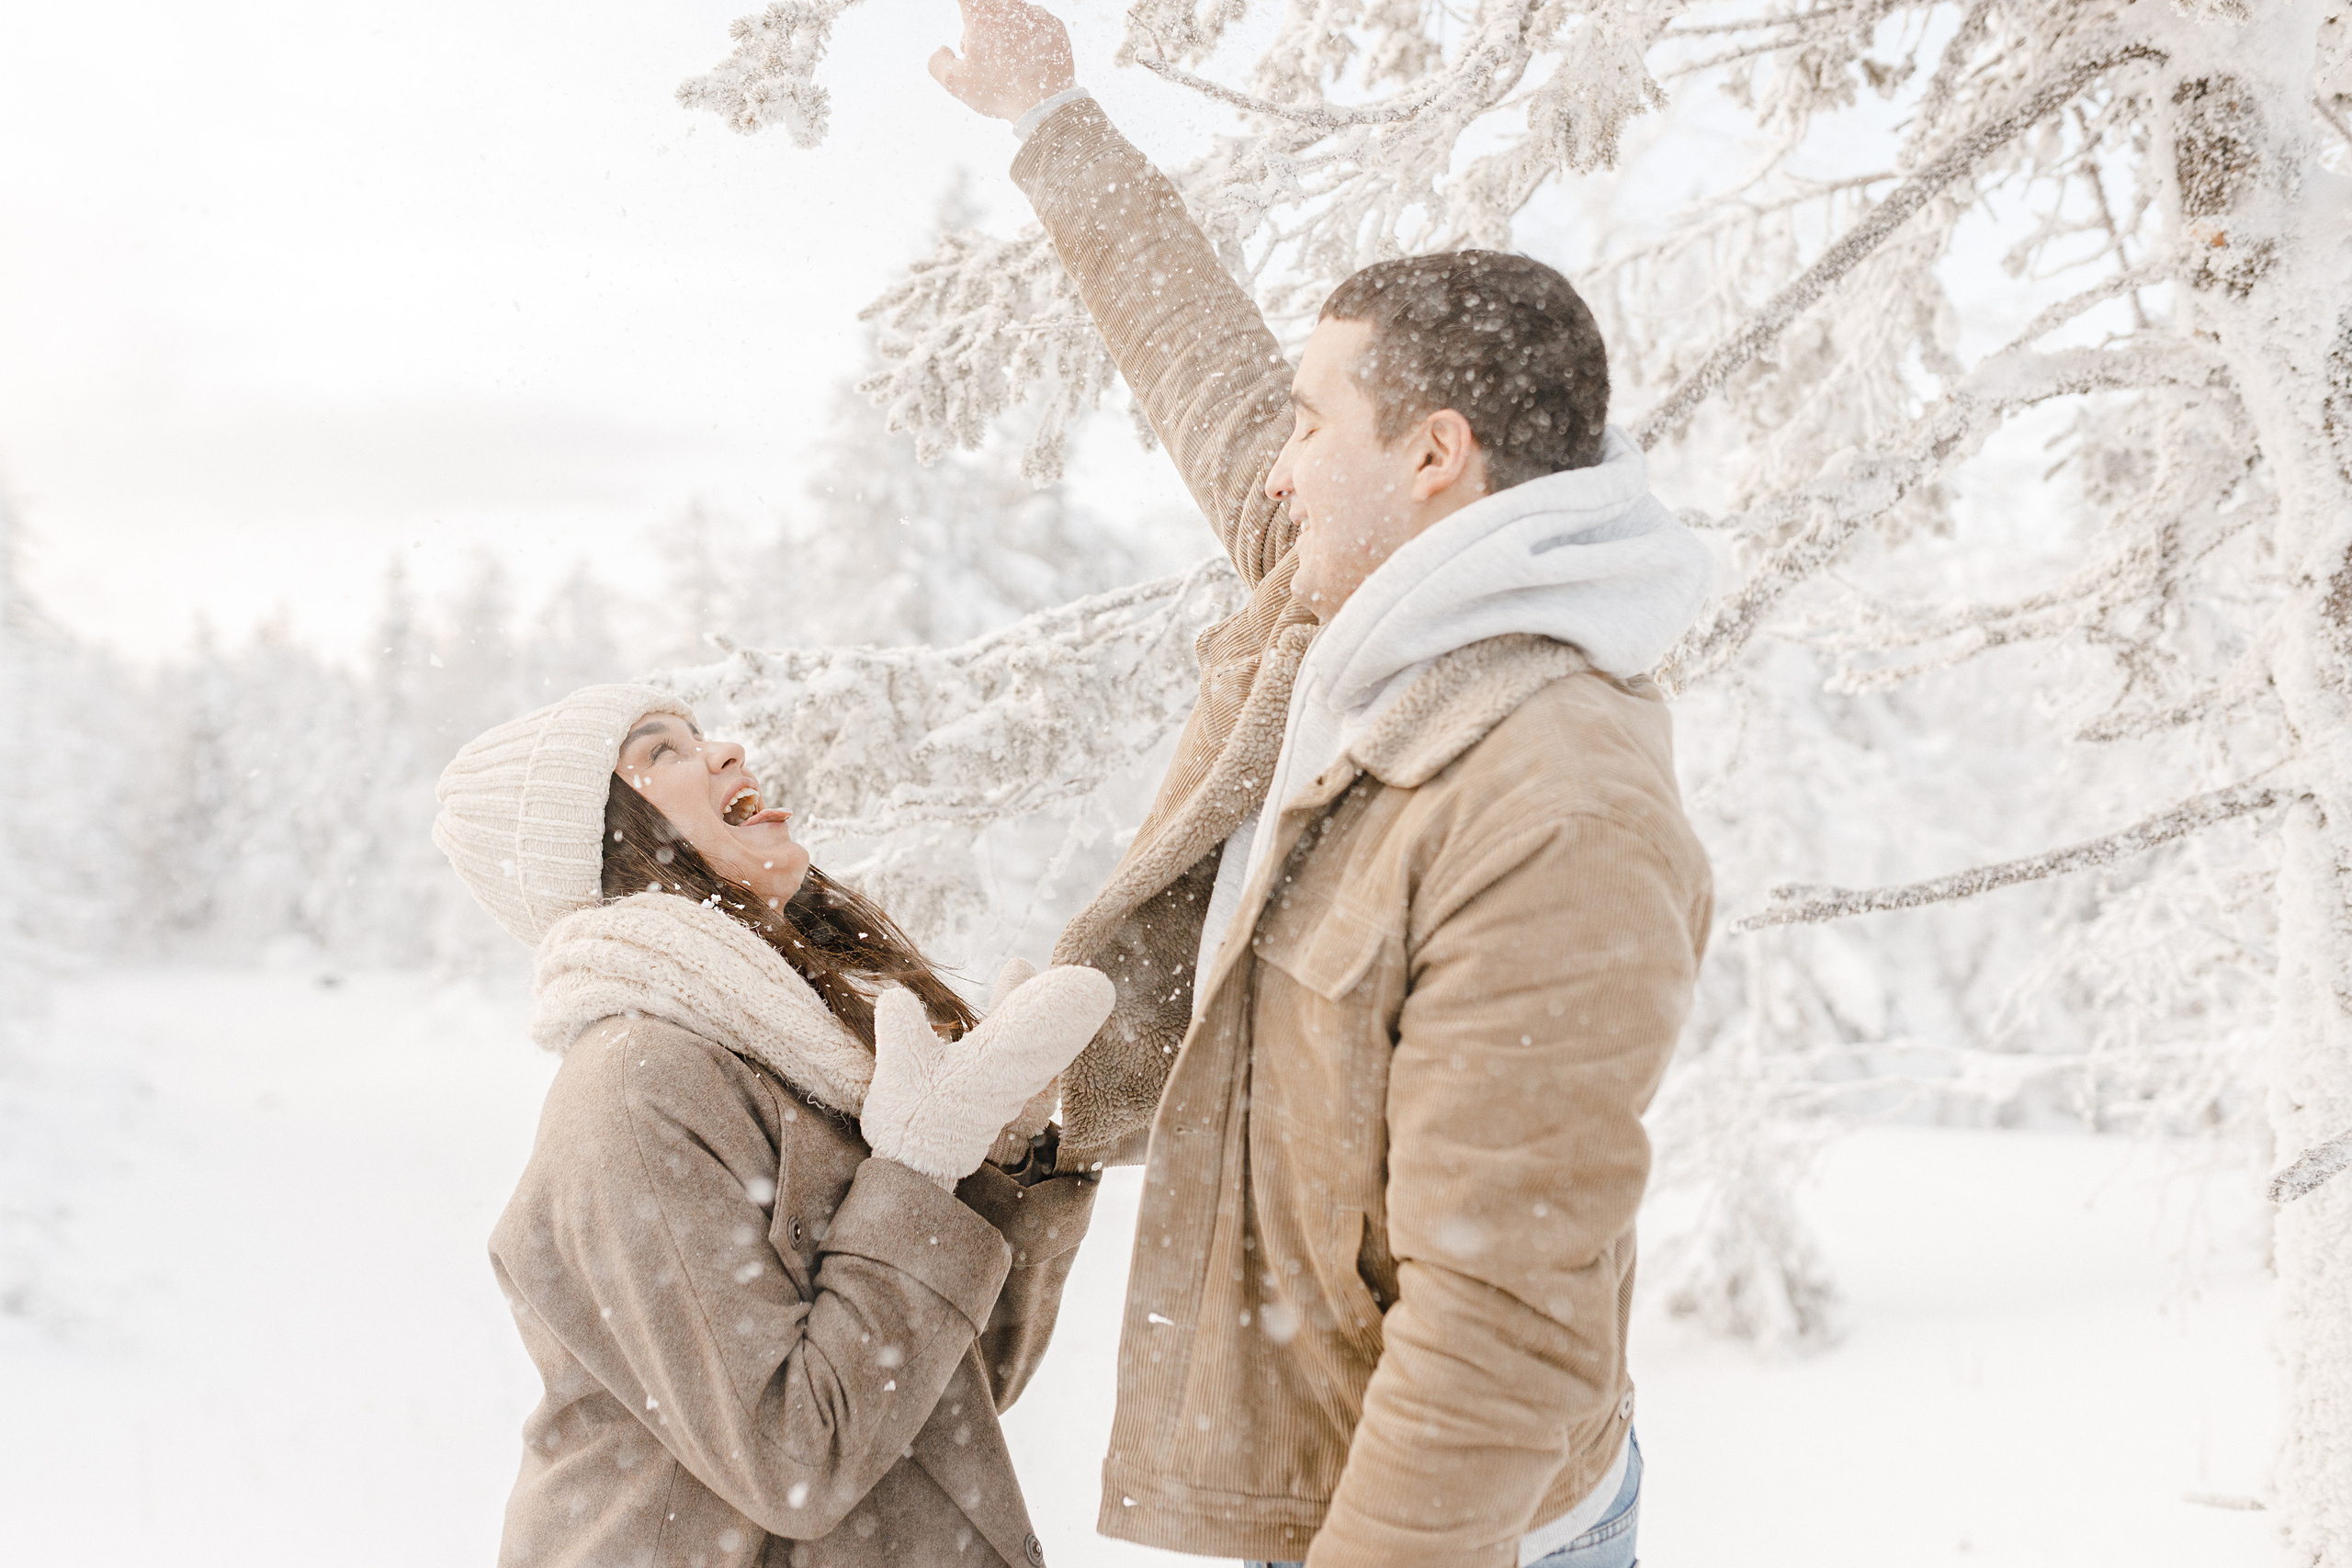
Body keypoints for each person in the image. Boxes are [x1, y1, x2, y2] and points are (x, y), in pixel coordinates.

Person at [921, 6, 1717, 1565]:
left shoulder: (1554, 795)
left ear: (1434, 455)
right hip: (1339, 1492)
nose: (1272, 463)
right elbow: (1202, 362)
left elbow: (1506, 1320)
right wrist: (1050, 123)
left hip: (1455, 1528)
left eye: (1308, 423)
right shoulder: (1347, 612)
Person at [433, 682, 1114, 1568]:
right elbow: (799, 1455)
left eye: (704, 733)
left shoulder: (800, 1051)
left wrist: (998, 1156)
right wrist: (912, 1175)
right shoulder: (638, 1088)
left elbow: (956, 1391)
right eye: (659, 751)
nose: (726, 751)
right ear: (601, 848)